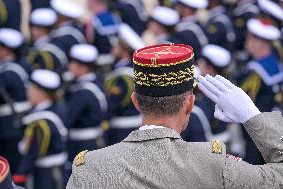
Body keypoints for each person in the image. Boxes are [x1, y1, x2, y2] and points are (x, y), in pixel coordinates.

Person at [67, 43, 283, 188]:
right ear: (190, 103)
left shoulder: (88, 168)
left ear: (135, 102)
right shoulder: (213, 164)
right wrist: (252, 116)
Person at [13, 69, 67, 189]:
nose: (28, 92)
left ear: (40, 91)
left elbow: (32, 151)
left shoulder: (42, 122)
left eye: (31, 88)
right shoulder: (57, 108)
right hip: (56, 171)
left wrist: (19, 175)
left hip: (46, 176)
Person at [239, 18, 283, 165]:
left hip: (258, 131)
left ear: (260, 42)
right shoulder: (275, 62)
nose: (246, 40)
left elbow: (243, 99)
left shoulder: (255, 71)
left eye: (250, 37)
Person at [65, 44, 108, 163]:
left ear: (82, 67)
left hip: (82, 145)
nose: (69, 66)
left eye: (72, 63)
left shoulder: (83, 92)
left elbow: (68, 119)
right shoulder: (96, 83)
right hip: (95, 140)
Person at [181, 44, 232, 143]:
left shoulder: (206, 97)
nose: (197, 65)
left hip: (211, 147)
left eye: (200, 63)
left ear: (209, 69)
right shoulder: (226, 89)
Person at [105, 23, 145, 145]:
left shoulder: (124, 76)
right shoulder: (132, 70)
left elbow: (113, 103)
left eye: (117, 45)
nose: (113, 48)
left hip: (122, 130)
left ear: (124, 49)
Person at [0, 28, 31, 173]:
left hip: (8, 129)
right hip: (16, 125)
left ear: (6, 50)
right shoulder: (21, 65)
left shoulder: (7, 73)